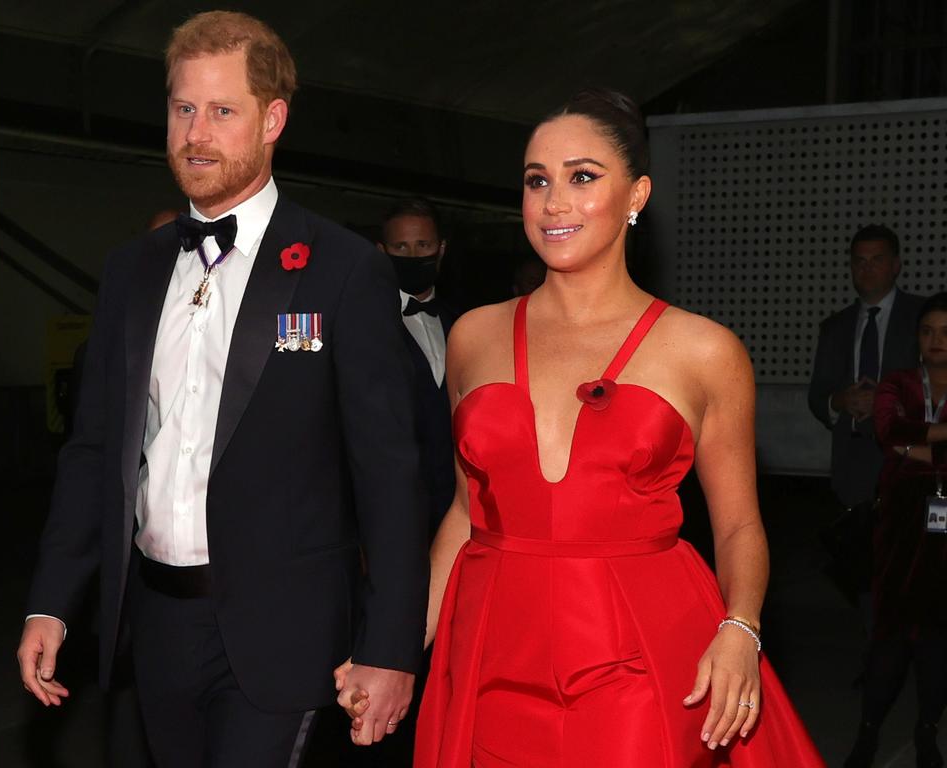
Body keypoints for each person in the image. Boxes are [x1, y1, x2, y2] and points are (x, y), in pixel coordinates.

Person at [338, 88, 823, 765]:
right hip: (490, 651)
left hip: (636, 653)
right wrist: (394, 648)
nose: (553, 202)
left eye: (582, 177)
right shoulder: (474, 336)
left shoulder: (704, 350)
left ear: (637, 194)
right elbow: (463, 511)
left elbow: (739, 523)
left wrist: (741, 626)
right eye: (538, 181)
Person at [16, 11, 428, 767]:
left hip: (287, 637)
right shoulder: (130, 272)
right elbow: (95, 449)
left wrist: (392, 647)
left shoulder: (341, 271)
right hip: (154, 628)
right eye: (182, 109)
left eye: (222, 111)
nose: (196, 133)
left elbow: (390, 477)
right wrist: (51, 600)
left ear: (273, 119)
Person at [843, 292, 947, 768]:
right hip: (901, 528)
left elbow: (904, 442)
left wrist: (913, 448)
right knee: (889, 635)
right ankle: (868, 733)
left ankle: (927, 731)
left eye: (945, 332)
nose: (936, 341)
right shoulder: (898, 382)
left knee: (937, 638)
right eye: (927, 332)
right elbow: (888, 432)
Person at [808, 225, 924, 603]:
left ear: (896, 266)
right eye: (859, 261)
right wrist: (841, 402)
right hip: (854, 467)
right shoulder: (835, 326)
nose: (867, 269)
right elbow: (817, 396)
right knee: (864, 581)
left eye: (876, 261)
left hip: (909, 465)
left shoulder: (924, 319)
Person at [378, 198, 459, 541]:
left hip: (458, 513)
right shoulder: (364, 325)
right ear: (382, 253)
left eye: (423, 245)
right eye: (402, 246)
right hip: (390, 517)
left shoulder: (464, 324)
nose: (413, 256)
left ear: (441, 250)